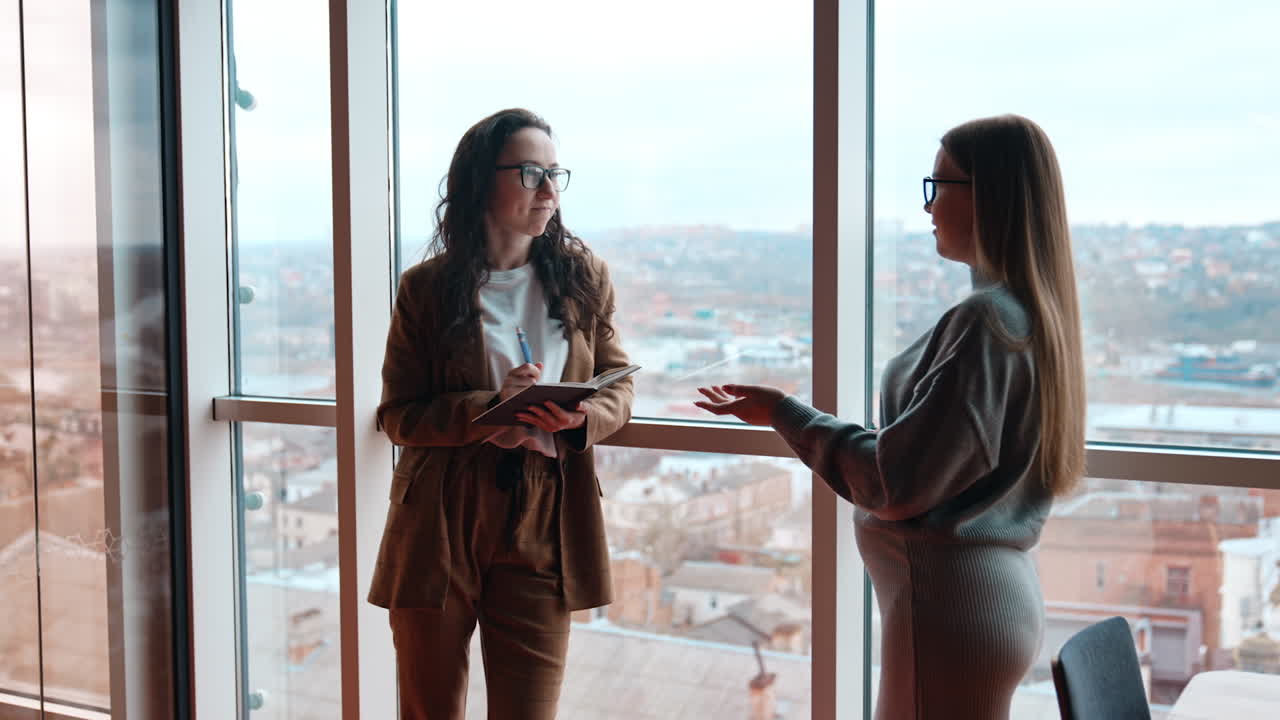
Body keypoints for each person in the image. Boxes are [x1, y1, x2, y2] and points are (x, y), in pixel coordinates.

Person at [695, 114, 1085, 719]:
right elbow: (938, 455)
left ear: (990, 195)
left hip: (948, 608)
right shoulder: (1029, 318)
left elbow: (894, 480)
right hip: (984, 600)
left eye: (939, 186)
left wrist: (783, 411)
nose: (928, 207)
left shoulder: (986, 325)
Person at [368, 108, 634, 720]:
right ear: (481, 181)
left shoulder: (583, 278)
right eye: (531, 172)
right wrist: (494, 407)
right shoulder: (427, 288)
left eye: (555, 173)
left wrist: (582, 417)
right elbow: (399, 416)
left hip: (548, 509)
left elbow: (619, 386)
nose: (549, 190)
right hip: (441, 509)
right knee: (430, 708)